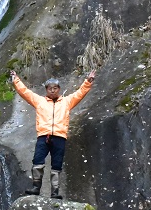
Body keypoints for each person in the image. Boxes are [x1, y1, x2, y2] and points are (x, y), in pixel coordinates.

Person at [8, 69, 96, 199]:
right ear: (46, 90)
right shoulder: (39, 101)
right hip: (43, 136)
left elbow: (80, 93)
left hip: (60, 137)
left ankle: (55, 192)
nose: (52, 90)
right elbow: (25, 92)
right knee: (37, 160)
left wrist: (88, 81)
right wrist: (16, 79)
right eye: (50, 88)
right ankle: (36, 188)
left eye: (55, 88)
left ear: (59, 89)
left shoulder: (67, 102)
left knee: (57, 164)